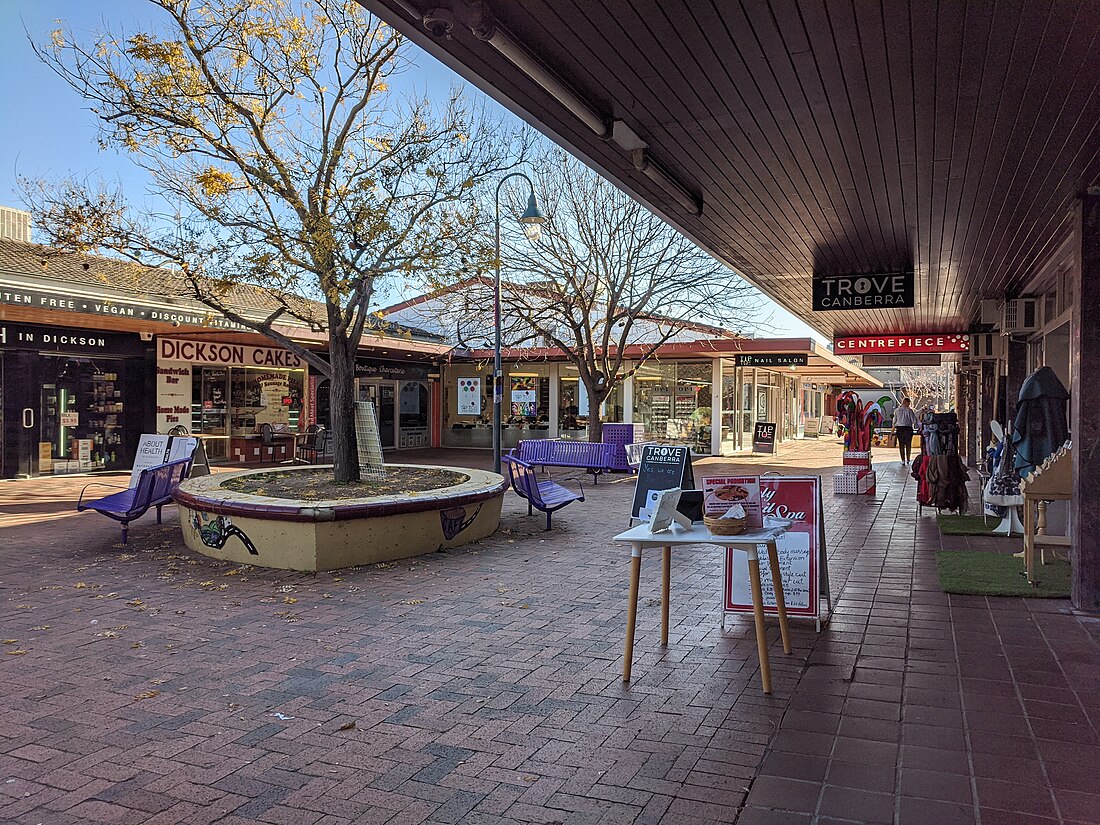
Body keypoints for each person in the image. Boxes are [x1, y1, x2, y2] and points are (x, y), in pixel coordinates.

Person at [893, 397, 920, 465]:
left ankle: (903, 460)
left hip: (899, 429)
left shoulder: (897, 410)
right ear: (906, 402)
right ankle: (908, 459)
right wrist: (917, 427)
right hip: (908, 428)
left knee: (901, 445)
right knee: (908, 444)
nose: (909, 404)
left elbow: (894, 421)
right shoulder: (909, 410)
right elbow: (914, 420)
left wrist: (893, 428)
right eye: (909, 403)